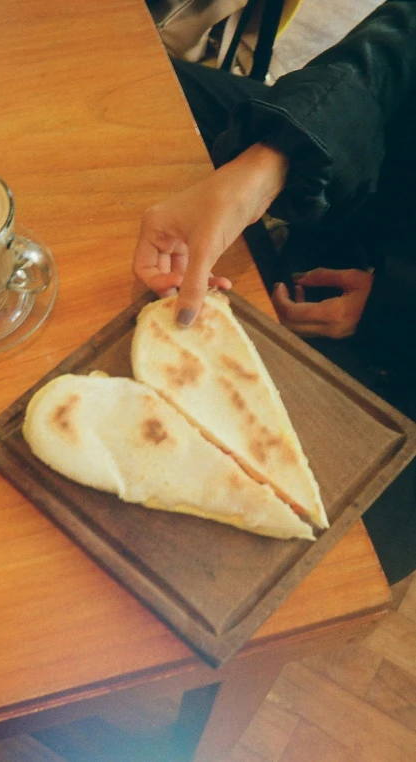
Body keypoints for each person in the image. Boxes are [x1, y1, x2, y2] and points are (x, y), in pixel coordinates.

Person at [133, 0, 416, 583]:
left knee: (306, 570)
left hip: (401, 350)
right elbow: (395, 45)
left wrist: (393, 305)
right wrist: (272, 164)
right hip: (370, 167)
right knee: (140, 82)